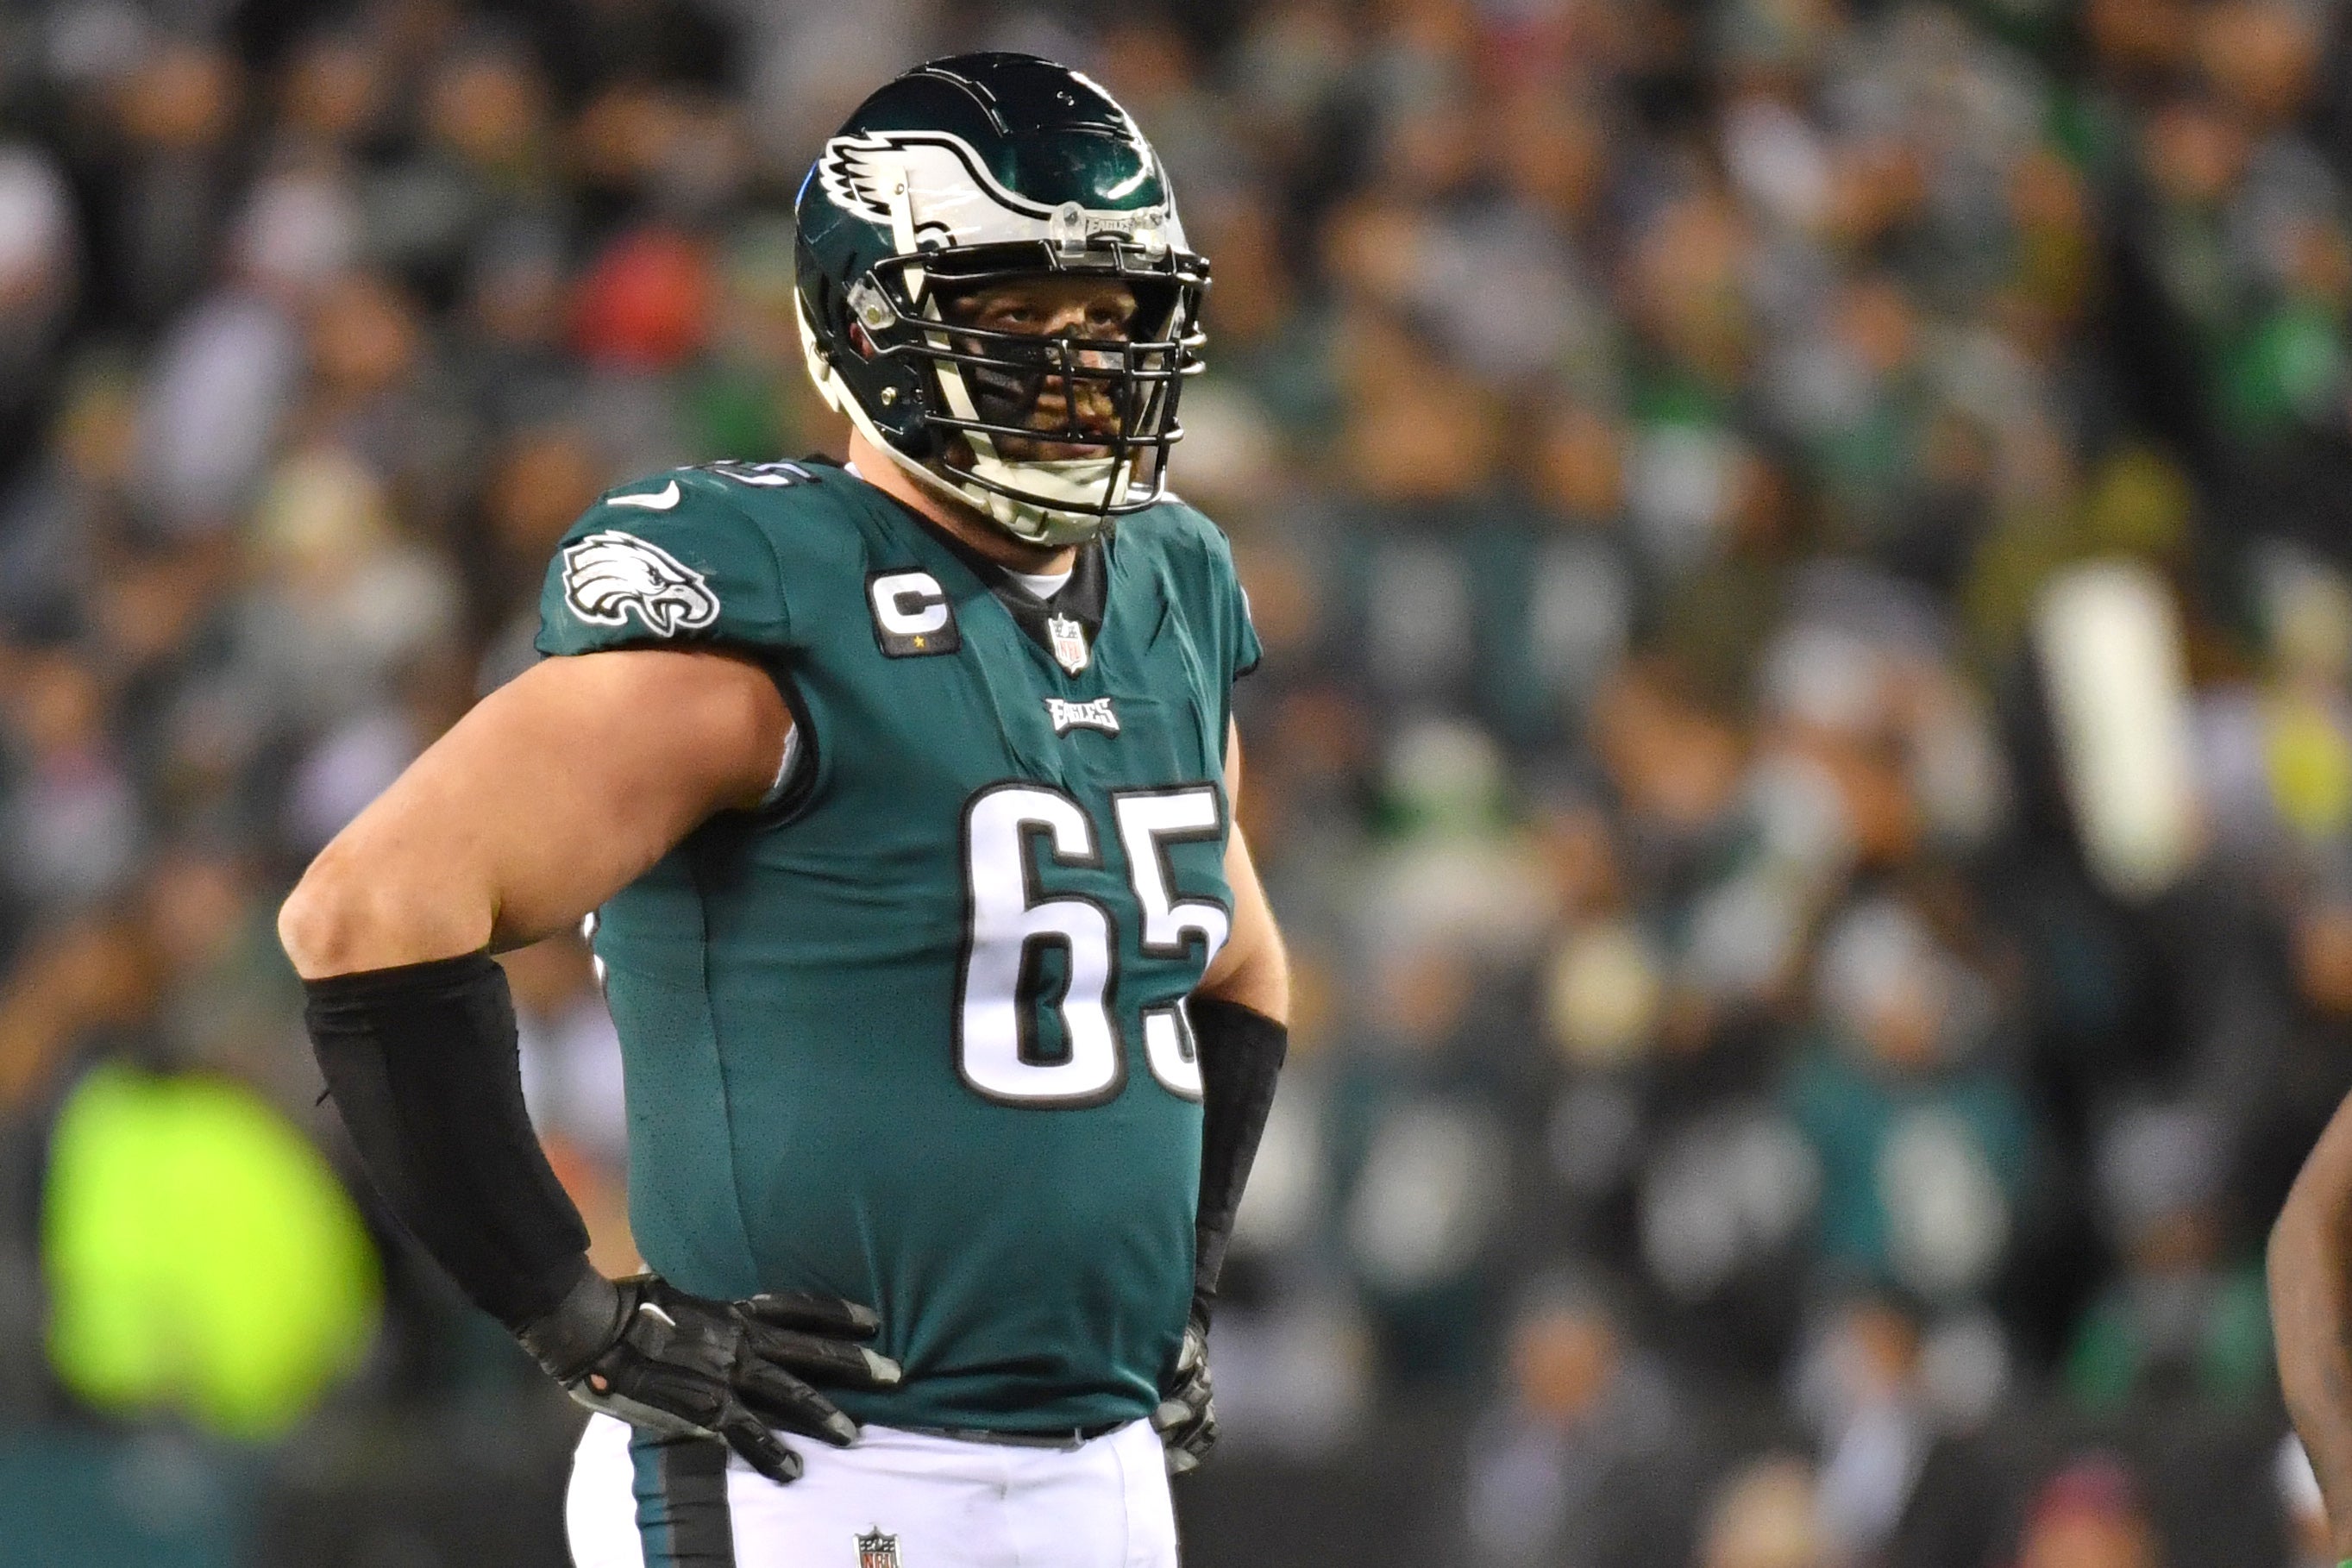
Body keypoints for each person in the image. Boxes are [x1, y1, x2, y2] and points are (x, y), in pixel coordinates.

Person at [278, 53, 1289, 1568]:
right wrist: (576, 1314)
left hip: (1101, 1467)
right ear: (870, 320)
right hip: (820, 1470)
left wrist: (1182, 1279)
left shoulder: (1171, 586)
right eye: (1019, 315)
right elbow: (367, 909)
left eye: (1112, 317)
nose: (1081, 367)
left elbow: (1232, 965)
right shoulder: (774, 594)